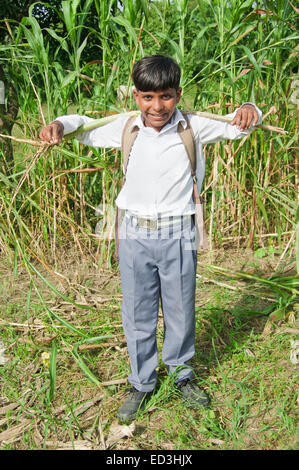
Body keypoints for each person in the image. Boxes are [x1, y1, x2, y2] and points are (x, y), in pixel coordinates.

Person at [40, 55, 262, 421]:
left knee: (179, 307)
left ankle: (181, 373)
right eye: (147, 97)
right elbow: (82, 125)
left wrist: (249, 109)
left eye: (165, 97)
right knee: (138, 311)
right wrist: (59, 125)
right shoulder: (125, 129)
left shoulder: (194, 127)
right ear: (135, 97)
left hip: (178, 231)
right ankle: (142, 382)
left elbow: (241, 124)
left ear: (178, 94)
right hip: (133, 233)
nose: (156, 106)